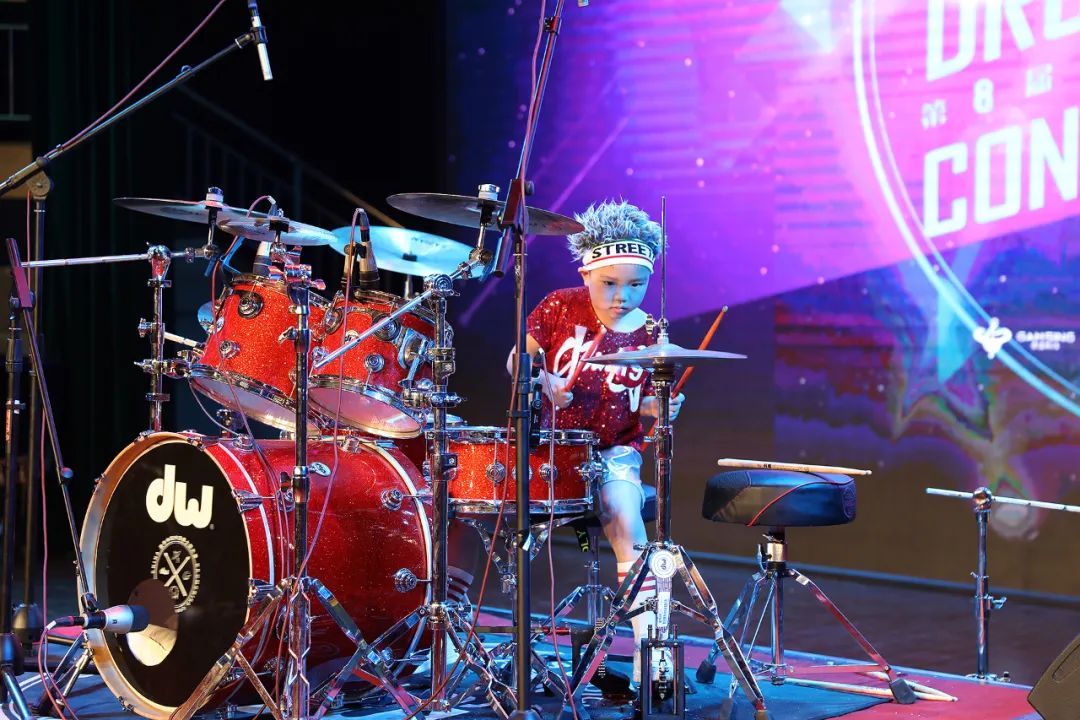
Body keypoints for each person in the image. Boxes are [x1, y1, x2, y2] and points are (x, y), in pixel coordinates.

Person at [506, 199, 684, 686]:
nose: (623, 296)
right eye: (610, 283)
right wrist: (542, 381)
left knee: (627, 520)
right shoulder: (559, 306)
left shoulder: (651, 332)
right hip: (549, 446)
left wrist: (661, 409)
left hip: (613, 452)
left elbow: (645, 408)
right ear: (586, 274)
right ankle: (482, 636)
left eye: (636, 285)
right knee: (490, 511)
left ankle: (653, 656)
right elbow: (517, 361)